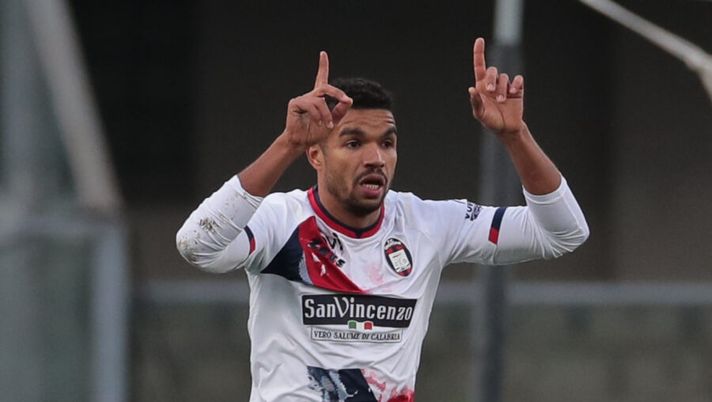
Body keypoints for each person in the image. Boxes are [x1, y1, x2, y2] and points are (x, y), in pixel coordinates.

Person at [176, 37, 589, 402]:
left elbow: (564, 232)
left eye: (387, 143)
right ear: (316, 154)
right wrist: (287, 143)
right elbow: (197, 245)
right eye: (353, 143)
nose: (375, 158)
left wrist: (515, 137)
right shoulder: (280, 221)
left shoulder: (426, 223)